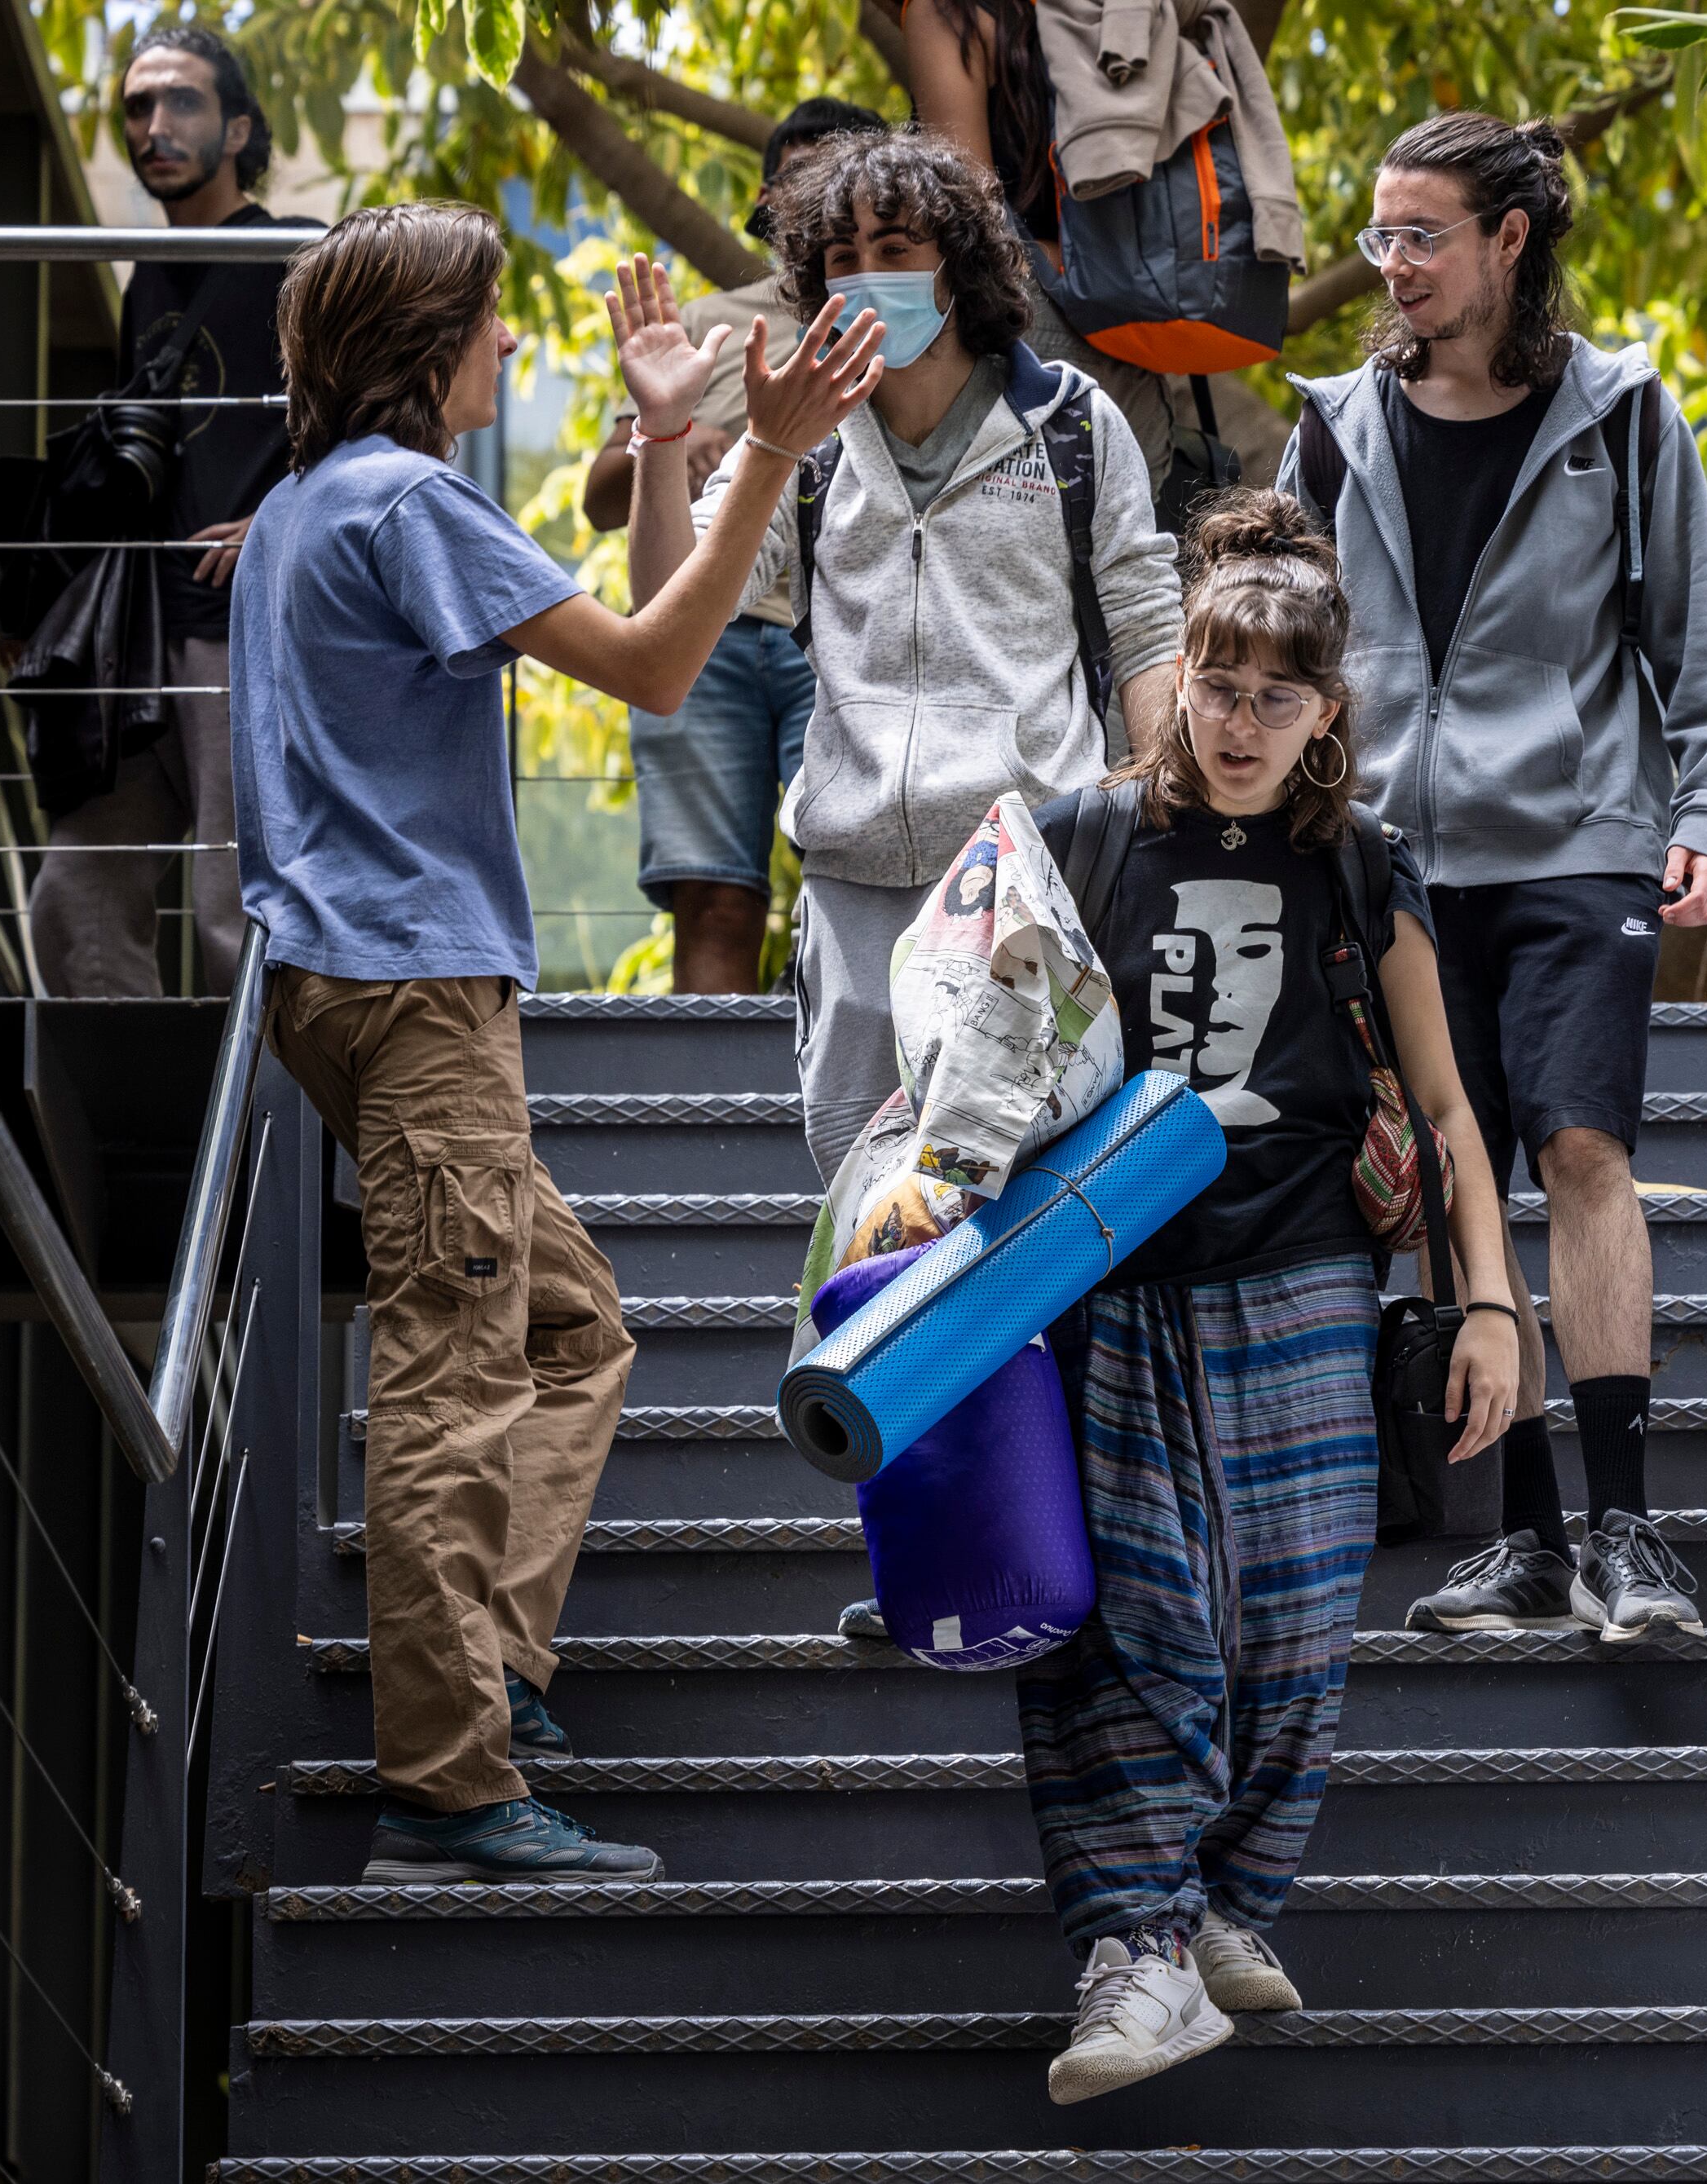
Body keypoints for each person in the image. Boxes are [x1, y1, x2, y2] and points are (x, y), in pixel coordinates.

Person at [233, 203, 887, 1881]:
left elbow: (646, 617)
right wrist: (768, 450)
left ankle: (492, 1675)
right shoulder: (406, 500)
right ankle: (446, 1785)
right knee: (453, 1383)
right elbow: (665, 666)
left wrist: (669, 428)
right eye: (493, 326)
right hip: (419, 990)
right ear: (424, 348)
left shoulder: (310, 506)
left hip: (346, 983)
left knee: (573, 1327)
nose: (511, 354)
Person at [1018, 490, 1521, 2103]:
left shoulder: (1361, 866)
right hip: (1111, 1277)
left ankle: (1230, 1897)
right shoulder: (1085, 832)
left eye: (1274, 698)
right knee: (1131, 1617)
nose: (1236, 724)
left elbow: (1447, 1115)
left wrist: (1498, 1310)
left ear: (1325, 718)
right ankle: (1135, 1946)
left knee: (1295, 1624)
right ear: (1182, 678)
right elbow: (985, 1057)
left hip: (1307, 1270)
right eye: (1217, 685)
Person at [1278, 113, 1707, 1646]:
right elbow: (1288, 658)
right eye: (1381, 236)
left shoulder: (1619, 416)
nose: (1396, 266)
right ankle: (1536, 1540)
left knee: (1581, 1152)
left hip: (1580, 840)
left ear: (1510, 239)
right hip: (1401, 859)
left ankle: (1631, 1529)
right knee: (1453, 1182)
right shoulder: (1332, 425)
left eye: (1426, 234)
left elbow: (1705, 654)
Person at [640, 127, 1183, 1178]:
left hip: (1030, 874)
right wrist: (662, 437)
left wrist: (1158, 823)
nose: (866, 278)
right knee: (865, 1209)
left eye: (895, 249)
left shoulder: (1073, 426)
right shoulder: (795, 444)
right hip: (852, 888)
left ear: (959, 265)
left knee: (1019, 1207)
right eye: (840, 259)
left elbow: (1148, 625)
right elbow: (678, 607)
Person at [30, 26, 314, 997]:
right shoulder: (147, 273)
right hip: (140, 635)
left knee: (231, 909)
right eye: (138, 109)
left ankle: (264, 1140)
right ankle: (127, 1128)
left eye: (181, 103)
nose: (155, 127)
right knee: (77, 895)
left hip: (239, 628)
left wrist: (279, 515)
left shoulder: (295, 259)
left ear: (238, 127)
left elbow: (383, 429)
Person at [580, 96, 885, 994]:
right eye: (799, 180)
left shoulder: (905, 320)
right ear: (765, 198)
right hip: (702, 639)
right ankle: (705, 1119)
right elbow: (601, 495)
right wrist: (670, 448)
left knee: (851, 891)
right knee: (713, 900)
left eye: (842, 175)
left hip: (836, 633)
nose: (818, 196)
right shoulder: (711, 319)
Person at [895, 0, 1177, 489]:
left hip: (1027, 323)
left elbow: (971, 214)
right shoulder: (1126, 15)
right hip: (1138, 328)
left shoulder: (950, 14)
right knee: (1119, 537)